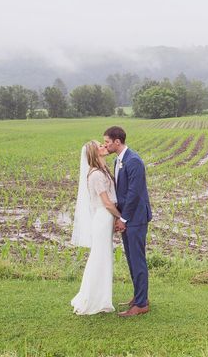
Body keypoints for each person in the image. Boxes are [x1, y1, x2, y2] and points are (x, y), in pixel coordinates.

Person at [104, 126, 152, 317]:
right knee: (132, 260)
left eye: (107, 142)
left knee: (138, 260)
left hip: (136, 219)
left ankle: (141, 304)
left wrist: (123, 218)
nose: (105, 145)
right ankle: (139, 296)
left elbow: (134, 193)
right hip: (127, 218)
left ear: (117, 141)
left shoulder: (134, 161)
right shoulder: (118, 160)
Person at [71, 140, 121, 315]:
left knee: (102, 258)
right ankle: (93, 300)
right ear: (94, 153)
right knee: (99, 258)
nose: (104, 147)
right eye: (100, 146)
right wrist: (120, 217)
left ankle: (101, 298)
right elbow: (106, 203)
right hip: (103, 218)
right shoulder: (96, 175)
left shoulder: (101, 171)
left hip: (106, 218)